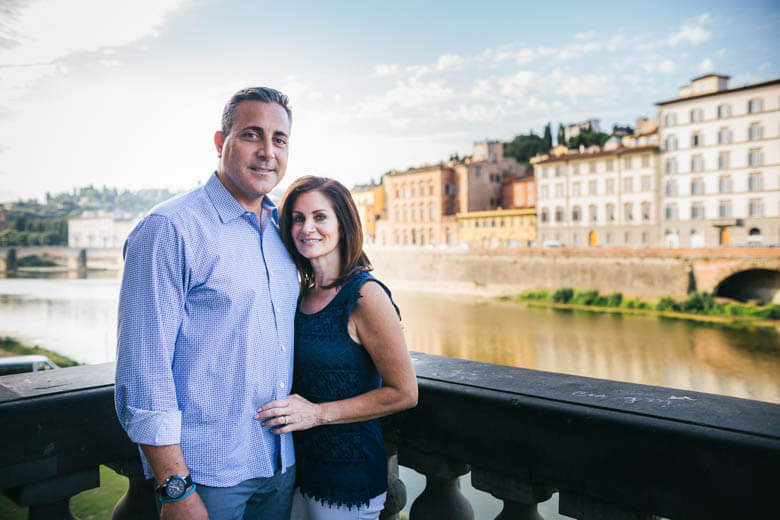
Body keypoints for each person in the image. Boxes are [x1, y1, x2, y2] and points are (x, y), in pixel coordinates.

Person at [115, 87, 300, 520]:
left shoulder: (282, 232)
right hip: (206, 476)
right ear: (221, 143)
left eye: (279, 139)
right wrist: (176, 489)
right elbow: (144, 369)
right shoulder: (169, 229)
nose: (267, 152)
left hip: (279, 466)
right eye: (252, 135)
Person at [256, 176, 418, 519]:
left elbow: (404, 393)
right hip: (299, 471)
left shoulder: (365, 295)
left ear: (343, 225)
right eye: (297, 218)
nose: (306, 228)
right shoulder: (299, 293)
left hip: (348, 477)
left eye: (319, 217)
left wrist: (316, 414)